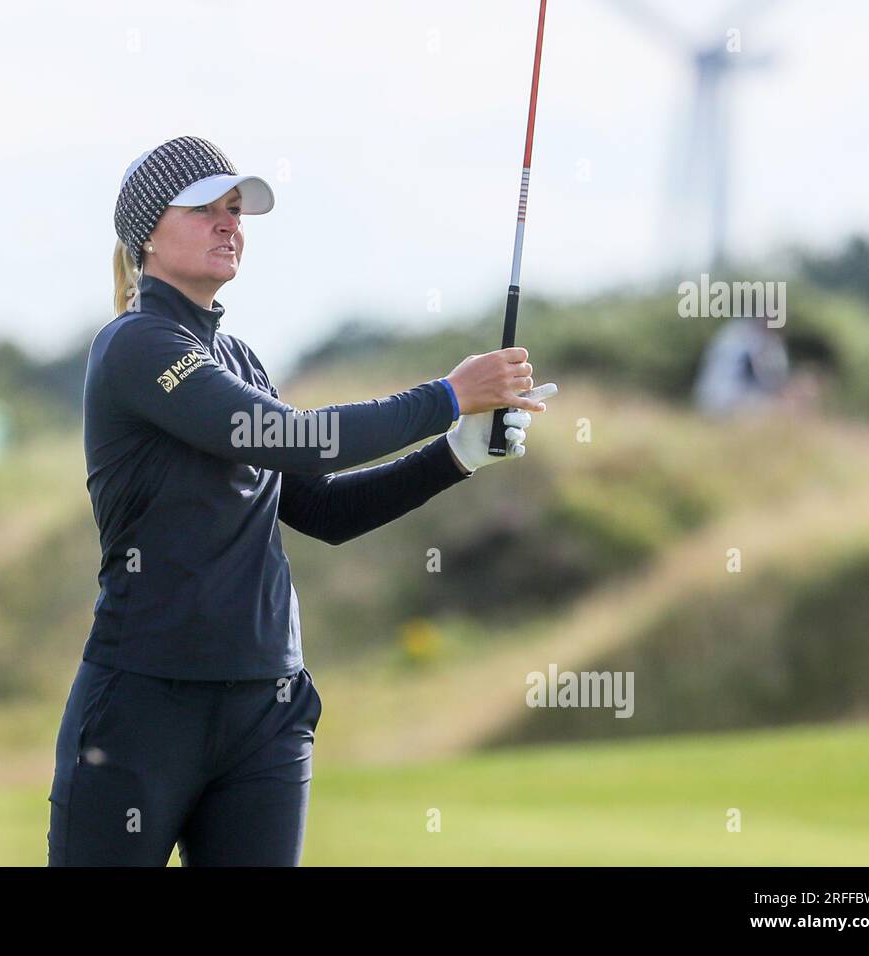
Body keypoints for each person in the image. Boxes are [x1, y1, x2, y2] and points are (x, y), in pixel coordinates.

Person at [46, 134, 556, 866]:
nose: (230, 224)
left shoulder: (242, 359)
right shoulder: (134, 346)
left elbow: (325, 510)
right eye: (206, 209)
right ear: (148, 232)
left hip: (266, 710)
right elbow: (295, 438)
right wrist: (447, 396)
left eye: (236, 210)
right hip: (142, 708)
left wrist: (458, 453)